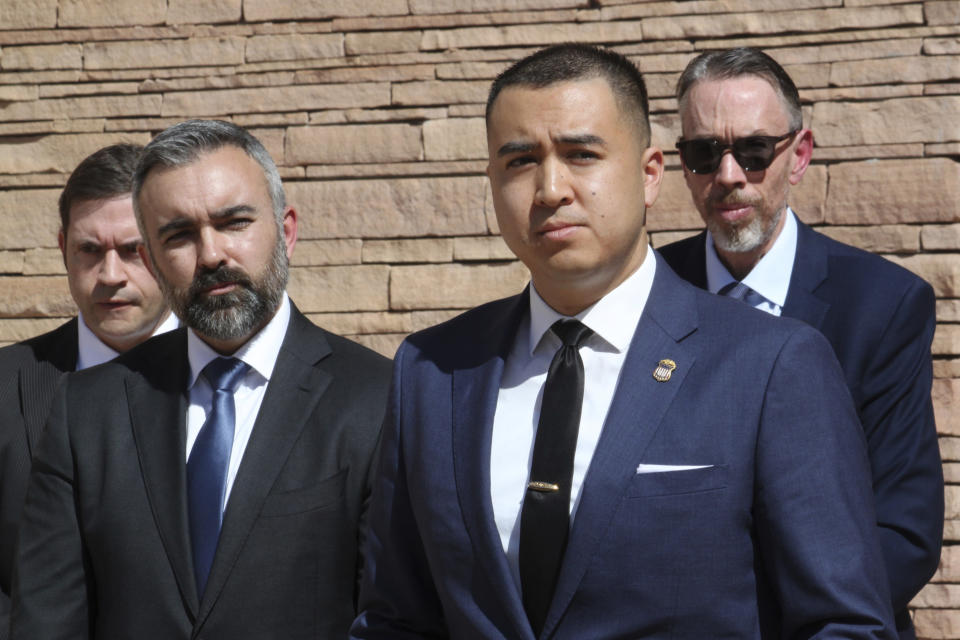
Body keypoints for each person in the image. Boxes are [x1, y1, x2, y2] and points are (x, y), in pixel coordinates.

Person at [351, 44, 896, 639]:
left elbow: (843, 624)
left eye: (581, 154)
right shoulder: (434, 370)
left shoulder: (768, 366)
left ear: (649, 174)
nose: (550, 188)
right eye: (520, 161)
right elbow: (395, 617)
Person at [10, 120, 391, 639]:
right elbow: (48, 621)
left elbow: (394, 617)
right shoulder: (89, 409)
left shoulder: (377, 398)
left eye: (233, 222)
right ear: (152, 256)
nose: (211, 255)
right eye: (180, 235)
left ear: (286, 230)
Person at [658, 47, 942, 638]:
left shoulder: (882, 305)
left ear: (800, 155)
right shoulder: (643, 297)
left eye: (755, 151)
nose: (729, 175)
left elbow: (904, 532)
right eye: (705, 153)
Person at [0, 143, 178, 637]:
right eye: (90, 250)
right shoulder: (5, 385)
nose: (111, 275)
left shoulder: (231, 385)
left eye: (133, 250)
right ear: (63, 248)